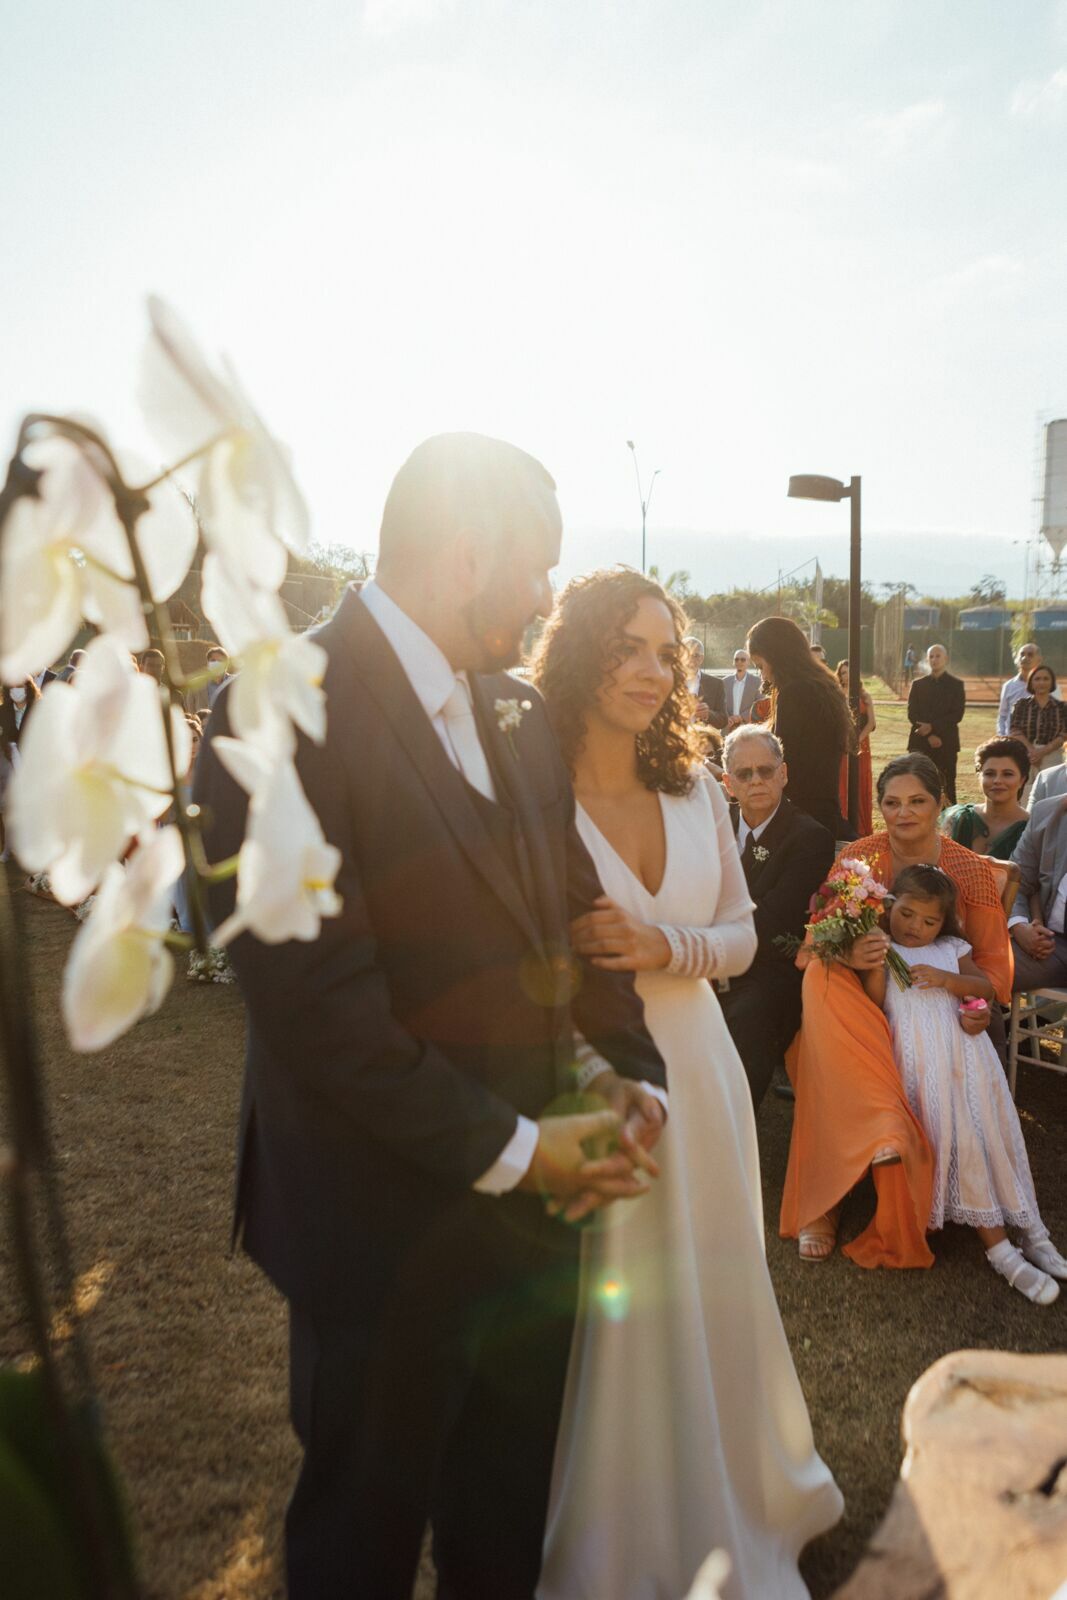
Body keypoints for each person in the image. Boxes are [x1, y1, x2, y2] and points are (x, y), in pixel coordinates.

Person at [195, 433, 668, 1599]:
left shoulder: (518, 712)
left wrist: (622, 1070)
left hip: (535, 1232)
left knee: (502, 1534)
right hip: (375, 1224)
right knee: (359, 1539)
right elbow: (318, 1009)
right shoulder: (273, 711)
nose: (547, 596)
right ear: (465, 556)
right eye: (537, 566)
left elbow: (574, 917)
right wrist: (515, 1147)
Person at [532, 568, 842, 1600]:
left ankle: (737, 1490)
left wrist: (657, 944)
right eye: (625, 646)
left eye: (665, 652)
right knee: (617, 1299)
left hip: (701, 1067)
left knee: (713, 1279)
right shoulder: (532, 794)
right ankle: (619, 1523)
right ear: (576, 651)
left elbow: (742, 939)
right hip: (592, 1074)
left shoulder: (696, 787)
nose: (650, 670)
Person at [781, 753, 1012, 1267]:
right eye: (891, 802)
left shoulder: (968, 870)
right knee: (820, 981)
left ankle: (886, 1143)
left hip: (937, 1004)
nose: (903, 812)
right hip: (860, 993)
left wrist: (976, 1002)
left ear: (940, 802)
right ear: (880, 806)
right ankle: (828, 1196)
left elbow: (991, 962)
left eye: (917, 801)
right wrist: (850, 952)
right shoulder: (859, 858)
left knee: (829, 1025)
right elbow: (814, 942)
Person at [864, 863, 1066, 1305]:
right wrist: (876, 958)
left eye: (929, 920)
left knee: (989, 1138)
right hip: (921, 1069)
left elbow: (984, 989)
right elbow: (874, 1003)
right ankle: (1000, 1249)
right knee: (963, 1141)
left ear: (944, 923)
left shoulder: (951, 948)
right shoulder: (881, 950)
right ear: (889, 905)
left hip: (967, 1061)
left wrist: (951, 983)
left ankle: (1031, 1230)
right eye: (907, 914)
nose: (915, 927)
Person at [719, 727, 835, 1109]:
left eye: (765, 771)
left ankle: (733, 1130)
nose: (756, 781)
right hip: (706, 960)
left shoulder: (809, 838)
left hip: (768, 973)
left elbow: (772, 923)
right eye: (744, 773)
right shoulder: (711, 825)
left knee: (747, 1018)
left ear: (783, 774)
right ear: (728, 783)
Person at [746, 615, 854, 838]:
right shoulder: (823, 686)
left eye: (761, 666)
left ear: (776, 657)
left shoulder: (794, 692)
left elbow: (782, 760)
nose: (763, 674)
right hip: (824, 812)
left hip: (802, 818)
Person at [1007, 792, 1067, 992]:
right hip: (1052, 945)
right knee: (977, 971)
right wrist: (1020, 926)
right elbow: (1016, 882)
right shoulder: (1047, 813)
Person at [940, 738, 1031, 859]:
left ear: (1022, 780)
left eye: (1007, 774)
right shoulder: (959, 820)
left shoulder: (1031, 828)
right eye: (989, 773)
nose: (997, 780)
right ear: (979, 776)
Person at [907, 644, 965, 804]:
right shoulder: (918, 685)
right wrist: (930, 735)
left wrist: (933, 728)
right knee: (919, 784)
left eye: (938, 656)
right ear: (927, 659)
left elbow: (956, 714)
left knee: (947, 785)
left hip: (946, 743)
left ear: (945, 659)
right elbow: (912, 714)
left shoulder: (956, 685)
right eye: (931, 656)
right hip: (920, 743)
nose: (934, 659)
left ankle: (950, 818)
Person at [1009, 664, 1067, 802]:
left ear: (1052, 682)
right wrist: (1032, 751)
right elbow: (1015, 729)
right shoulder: (1021, 705)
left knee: (1051, 793)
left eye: (1046, 679)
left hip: (1052, 755)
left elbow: (1064, 733)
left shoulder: (1061, 707)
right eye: (1037, 679)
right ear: (1031, 682)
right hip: (1026, 754)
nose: (1042, 682)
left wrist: (1042, 752)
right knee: (1024, 792)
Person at [0, 678, 41, 862]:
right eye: (13, 687)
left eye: (21, 686)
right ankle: (10, 847)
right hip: (10, 763)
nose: (17, 690)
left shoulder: (37, 709)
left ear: (28, 688)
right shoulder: (4, 711)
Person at [835, 659, 876, 836]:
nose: (847, 676)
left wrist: (857, 740)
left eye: (849, 672)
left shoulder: (865, 696)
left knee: (860, 782)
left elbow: (872, 723)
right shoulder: (836, 694)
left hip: (861, 745)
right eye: (843, 672)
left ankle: (861, 827)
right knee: (843, 783)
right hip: (842, 745)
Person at [997, 642, 1059, 736]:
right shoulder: (1008, 686)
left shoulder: (1051, 686)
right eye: (1022, 654)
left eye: (1030, 655)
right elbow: (1002, 715)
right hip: (1013, 740)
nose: (1025, 658)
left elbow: (1057, 715)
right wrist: (1002, 736)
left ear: (1039, 660)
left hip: (1042, 741)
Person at [682, 635, 728, 729]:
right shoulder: (669, 682)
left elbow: (723, 721)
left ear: (701, 658)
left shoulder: (716, 684)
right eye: (687, 655)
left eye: (695, 655)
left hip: (704, 737)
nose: (691, 660)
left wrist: (708, 714)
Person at [723, 647, 761, 727]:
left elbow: (759, 704)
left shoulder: (757, 682)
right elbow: (720, 704)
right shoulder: (724, 682)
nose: (739, 662)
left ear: (748, 662)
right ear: (733, 662)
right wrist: (727, 718)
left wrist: (742, 717)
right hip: (728, 726)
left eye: (743, 660)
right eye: (736, 659)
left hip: (747, 727)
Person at [205, 644, 234, 708]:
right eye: (213, 660)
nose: (216, 663)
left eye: (220, 661)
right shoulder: (195, 687)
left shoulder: (235, 682)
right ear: (208, 663)